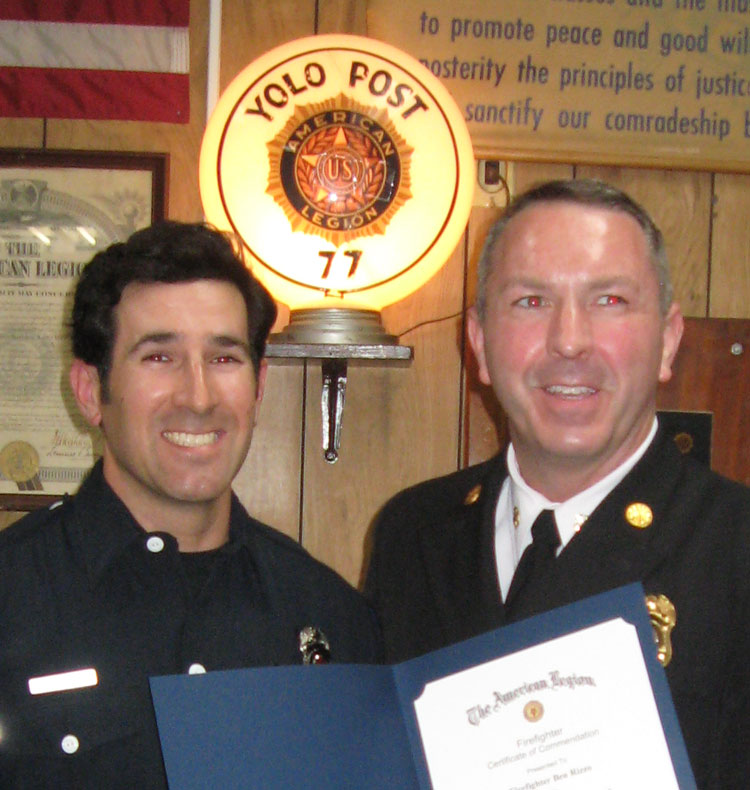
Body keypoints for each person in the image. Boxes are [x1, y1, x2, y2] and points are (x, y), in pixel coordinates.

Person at [365, 179, 750, 787]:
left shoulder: (735, 547)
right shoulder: (413, 534)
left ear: (668, 341)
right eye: (530, 301)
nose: (569, 340)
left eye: (610, 301)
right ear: (480, 343)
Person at [0, 221, 381, 788]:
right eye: (159, 358)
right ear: (89, 391)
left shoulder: (329, 616)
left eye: (225, 359)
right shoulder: (11, 596)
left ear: (258, 387)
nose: (198, 397)